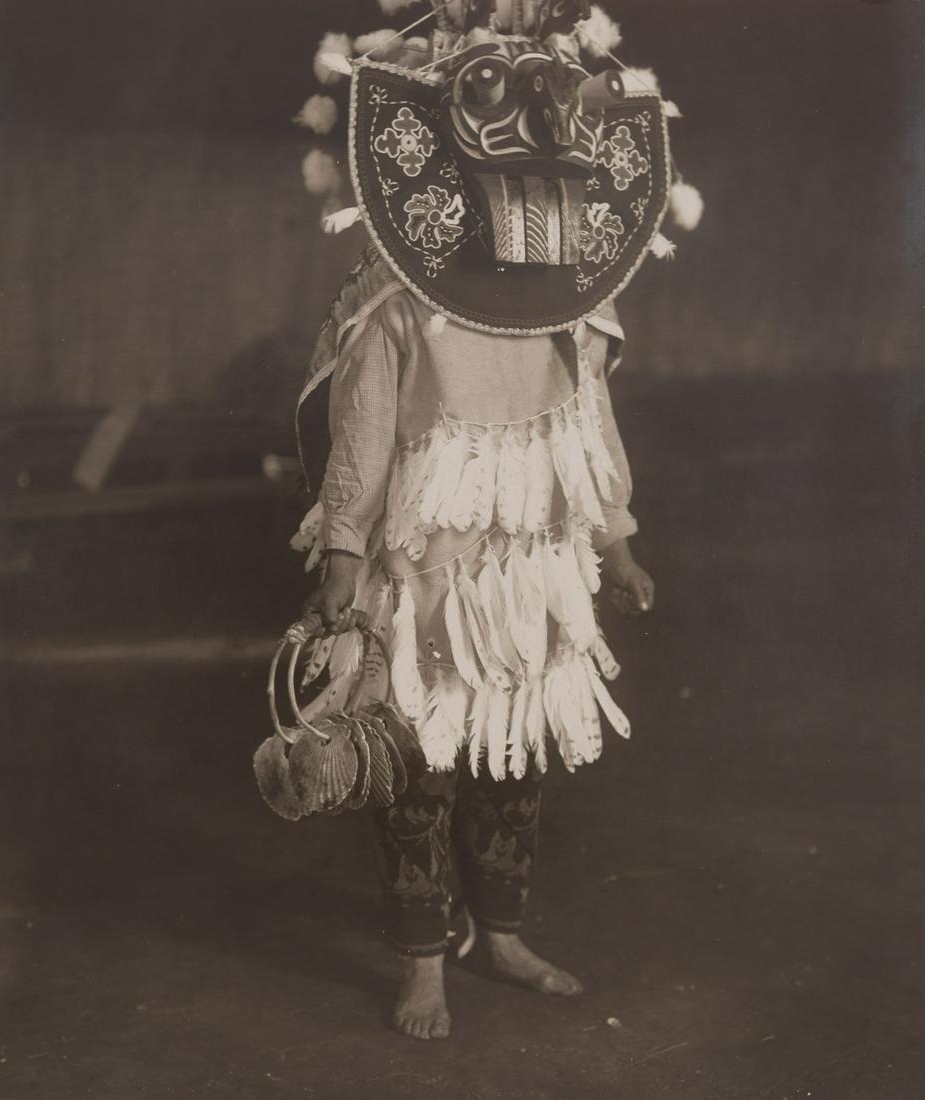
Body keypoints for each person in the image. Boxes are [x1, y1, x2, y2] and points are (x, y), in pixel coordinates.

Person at [287, 0, 688, 1040]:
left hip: (529, 569)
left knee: (517, 753)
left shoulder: (573, 307)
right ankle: (425, 958)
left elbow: (588, 426)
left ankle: (500, 930)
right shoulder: (398, 306)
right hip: (423, 568)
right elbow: (363, 433)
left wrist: (616, 538)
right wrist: (341, 554)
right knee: (415, 758)